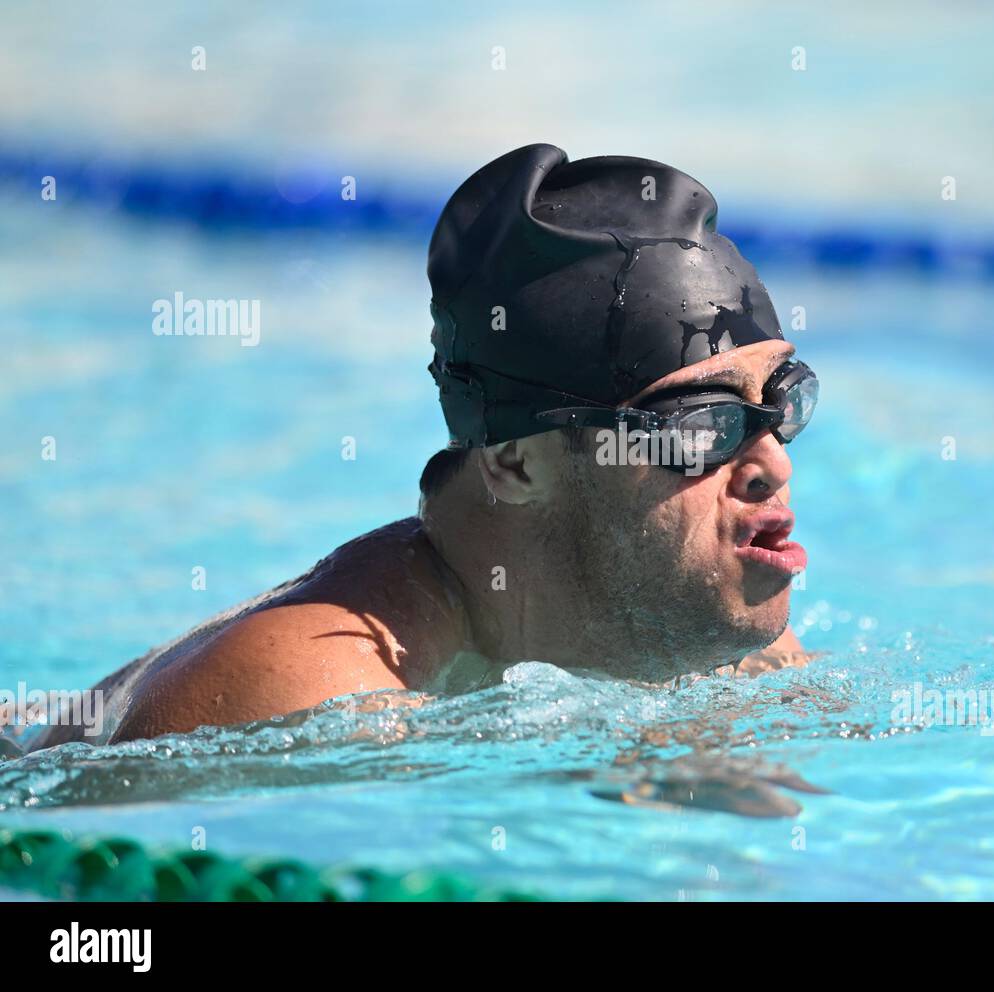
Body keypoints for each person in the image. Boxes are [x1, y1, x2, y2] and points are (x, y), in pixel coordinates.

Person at [29, 143, 819, 751]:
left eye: (782, 399)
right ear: (516, 461)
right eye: (697, 426)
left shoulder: (705, 624)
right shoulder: (306, 693)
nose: (772, 461)